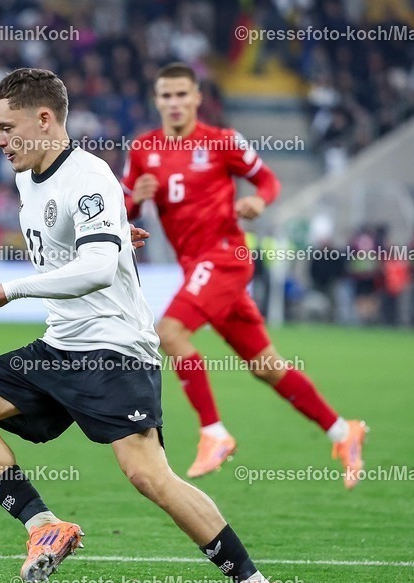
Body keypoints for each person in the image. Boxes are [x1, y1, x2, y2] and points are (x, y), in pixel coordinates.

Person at [0, 68, 291, 583]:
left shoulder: (89, 175)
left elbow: (97, 270)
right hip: (61, 345)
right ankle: (45, 527)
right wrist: (115, 238)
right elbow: (89, 244)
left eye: (7, 128)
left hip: (112, 351)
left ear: (45, 119)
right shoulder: (29, 177)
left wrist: (11, 289)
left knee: (148, 475)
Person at [122, 62, 367, 488]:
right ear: (157, 100)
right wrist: (134, 202)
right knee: (266, 366)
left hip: (225, 258)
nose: (175, 103)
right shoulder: (144, 149)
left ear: (198, 97)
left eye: (183, 94)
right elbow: (126, 212)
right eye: (167, 95)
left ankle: (214, 432)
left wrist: (259, 201)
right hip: (199, 268)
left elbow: (268, 180)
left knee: (169, 332)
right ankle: (343, 432)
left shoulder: (222, 142)